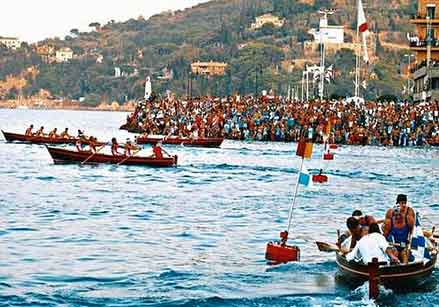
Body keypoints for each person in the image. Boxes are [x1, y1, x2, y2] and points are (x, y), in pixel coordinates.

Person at [383, 194, 415, 264]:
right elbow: (383, 237)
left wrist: (409, 244)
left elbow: (412, 233)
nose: (398, 217)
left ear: (403, 214)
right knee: (395, 253)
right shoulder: (389, 221)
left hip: (404, 244)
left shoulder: (409, 219)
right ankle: (393, 269)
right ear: (393, 214)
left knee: (405, 254)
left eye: (400, 214)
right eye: (396, 215)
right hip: (392, 244)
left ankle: (405, 269)